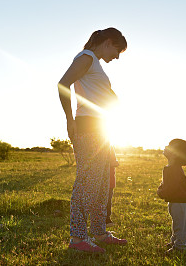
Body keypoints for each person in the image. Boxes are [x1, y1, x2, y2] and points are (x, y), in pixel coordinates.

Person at [58, 28, 128, 253]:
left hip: (102, 128)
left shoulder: (94, 62)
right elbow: (63, 84)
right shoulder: (86, 57)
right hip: (88, 127)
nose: (116, 57)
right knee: (87, 183)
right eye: (117, 51)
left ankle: (99, 232)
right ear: (108, 42)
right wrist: (70, 120)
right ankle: (77, 238)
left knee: (101, 185)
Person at [157, 139, 186, 254]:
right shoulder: (171, 167)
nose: (165, 146)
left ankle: (179, 247)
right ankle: (174, 242)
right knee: (177, 224)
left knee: (181, 227)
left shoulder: (174, 169)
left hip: (181, 203)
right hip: (176, 202)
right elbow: (167, 184)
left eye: (169, 146)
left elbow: (170, 187)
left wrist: (161, 192)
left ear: (175, 153)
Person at [107, 146, 119, 227]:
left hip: (110, 181)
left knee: (108, 200)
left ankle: (107, 219)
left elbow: (115, 162)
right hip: (101, 180)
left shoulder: (110, 147)